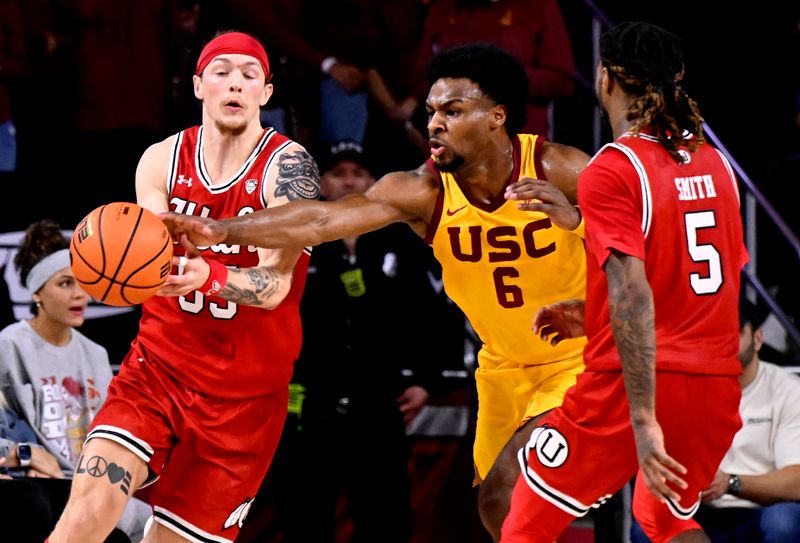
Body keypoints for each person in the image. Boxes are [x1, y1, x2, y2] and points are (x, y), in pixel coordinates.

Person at [162, 42, 591, 540]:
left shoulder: (563, 169)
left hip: (577, 362)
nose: (434, 124)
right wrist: (223, 231)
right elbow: (323, 218)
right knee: (501, 515)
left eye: (453, 111)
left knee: (509, 495)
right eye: (431, 112)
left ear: (497, 116)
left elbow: (644, 247)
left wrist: (579, 221)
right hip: (502, 367)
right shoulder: (421, 190)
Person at [48, 30, 317, 543]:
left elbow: (275, 285)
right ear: (198, 85)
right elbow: (139, 255)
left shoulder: (288, 169)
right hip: (157, 372)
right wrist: (130, 265)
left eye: (249, 74)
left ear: (266, 92)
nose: (235, 83)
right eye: (222, 72)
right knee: (84, 516)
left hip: (244, 401)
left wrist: (209, 275)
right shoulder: (161, 160)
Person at [499, 21, 748, 543]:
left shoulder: (612, 168)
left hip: (633, 389)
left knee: (522, 519)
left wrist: (641, 419)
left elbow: (633, 291)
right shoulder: (717, 165)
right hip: (714, 387)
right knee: (666, 519)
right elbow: (699, 288)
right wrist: (592, 312)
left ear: (607, 78)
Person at [264, 140, 441, 542]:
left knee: (385, 520)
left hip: (378, 406)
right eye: (338, 173)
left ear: (374, 182)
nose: (348, 182)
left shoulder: (402, 241)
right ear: (320, 183)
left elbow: (430, 315)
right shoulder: (293, 243)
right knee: (303, 519)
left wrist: (424, 381)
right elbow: (265, 318)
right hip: (306, 406)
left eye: (358, 173)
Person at [0, 220, 143, 541]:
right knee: (34, 505)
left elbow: (109, 431)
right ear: (37, 292)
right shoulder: (8, 345)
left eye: (82, 284)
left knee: (145, 521)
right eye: (65, 283)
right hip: (34, 479)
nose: (79, 294)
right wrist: (23, 454)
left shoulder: (94, 353)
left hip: (86, 481)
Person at [631, 298, 800, 543]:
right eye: (719, 331)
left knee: (786, 521)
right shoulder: (686, 385)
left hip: (760, 511)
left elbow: (796, 480)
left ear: (758, 338)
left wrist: (731, 483)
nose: (727, 340)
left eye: (737, 330)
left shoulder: (788, 391)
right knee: (649, 525)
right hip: (700, 510)